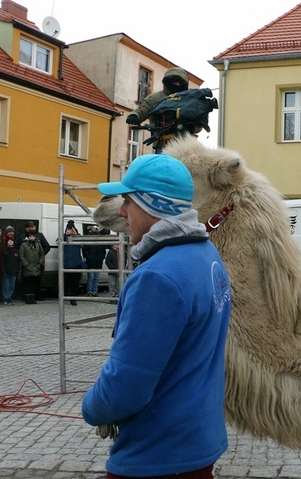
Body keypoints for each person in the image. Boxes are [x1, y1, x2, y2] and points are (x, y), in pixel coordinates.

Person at [82, 154, 231, 478]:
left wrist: (91, 407)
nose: (121, 211)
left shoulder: (158, 277)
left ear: (154, 205)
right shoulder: (207, 255)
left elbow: (126, 387)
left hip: (157, 456)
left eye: (128, 201)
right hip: (197, 443)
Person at [125, 67, 189, 126]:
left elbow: (197, 118)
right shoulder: (155, 98)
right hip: (159, 135)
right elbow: (143, 110)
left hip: (184, 135)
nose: (177, 84)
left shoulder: (187, 100)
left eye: (180, 83)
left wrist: (193, 126)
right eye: (175, 82)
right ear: (168, 81)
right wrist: (134, 116)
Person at [23, 220, 50, 301]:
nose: (31, 228)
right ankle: (27, 296)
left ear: (35, 227)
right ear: (26, 228)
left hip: (37, 262)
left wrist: (41, 256)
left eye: (32, 227)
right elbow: (19, 249)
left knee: (37, 280)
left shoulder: (40, 235)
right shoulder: (22, 236)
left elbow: (47, 246)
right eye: (29, 227)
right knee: (27, 281)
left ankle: (38, 295)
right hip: (27, 263)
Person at [19, 231, 45, 305]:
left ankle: (33, 298)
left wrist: (39, 263)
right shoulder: (24, 245)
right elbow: (21, 255)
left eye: (33, 236)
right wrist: (26, 265)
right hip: (27, 268)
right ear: (28, 237)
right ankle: (27, 298)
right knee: (28, 284)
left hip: (36, 268)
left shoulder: (38, 244)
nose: (32, 238)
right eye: (30, 236)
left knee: (34, 284)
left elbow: (42, 254)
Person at [63, 220, 84, 306]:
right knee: (65, 282)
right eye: (69, 229)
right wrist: (66, 235)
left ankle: (73, 298)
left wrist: (75, 235)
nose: (71, 230)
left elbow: (83, 244)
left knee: (75, 283)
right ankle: (64, 296)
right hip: (66, 264)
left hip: (77, 264)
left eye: (72, 229)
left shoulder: (78, 237)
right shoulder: (63, 237)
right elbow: (58, 242)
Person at [83, 226, 107, 297]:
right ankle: (90, 291)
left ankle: (94, 291)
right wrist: (89, 258)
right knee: (91, 277)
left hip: (97, 262)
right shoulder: (89, 241)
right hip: (91, 262)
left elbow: (103, 252)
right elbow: (85, 251)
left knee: (95, 278)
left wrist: (101, 258)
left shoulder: (100, 242)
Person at [1, 237, 20, 305]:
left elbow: (18, 262)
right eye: (9, 241)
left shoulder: (16, 251)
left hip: (14, 271)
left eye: (12, 241)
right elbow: (2, 262)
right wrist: (4, 270)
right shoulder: (4, 251)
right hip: (6, 271)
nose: (10, 242)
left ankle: (9, 297)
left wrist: (17, 269)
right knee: (6, 285)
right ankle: (5, 298)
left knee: (12, 286)